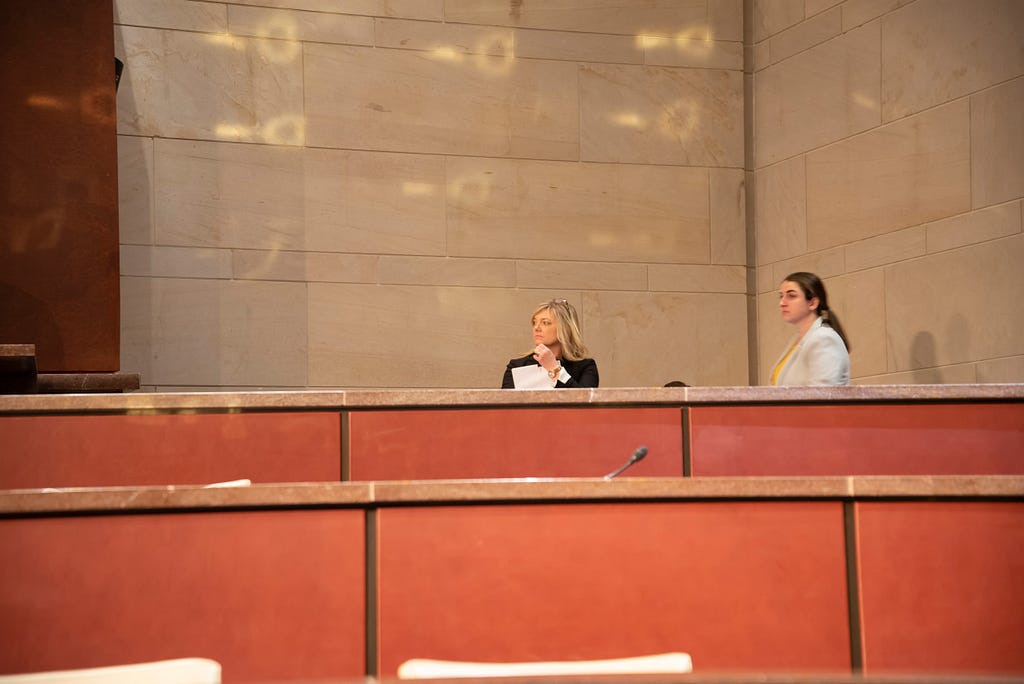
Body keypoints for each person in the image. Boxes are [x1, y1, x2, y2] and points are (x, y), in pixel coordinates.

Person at [771, 272, 850, 386]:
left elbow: (823, 395)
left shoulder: (824, 339)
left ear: (813, 303)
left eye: (791, 296)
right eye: (781, 296)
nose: (782, 303)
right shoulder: (799, 341)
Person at [501, 299, 599, 389]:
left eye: (546, 323)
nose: (536, 328)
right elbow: (503, 405)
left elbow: (582, 405)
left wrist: (554, 368)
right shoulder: (516, 366)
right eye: (534, 322)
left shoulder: (585, 367)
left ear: (565, 328)